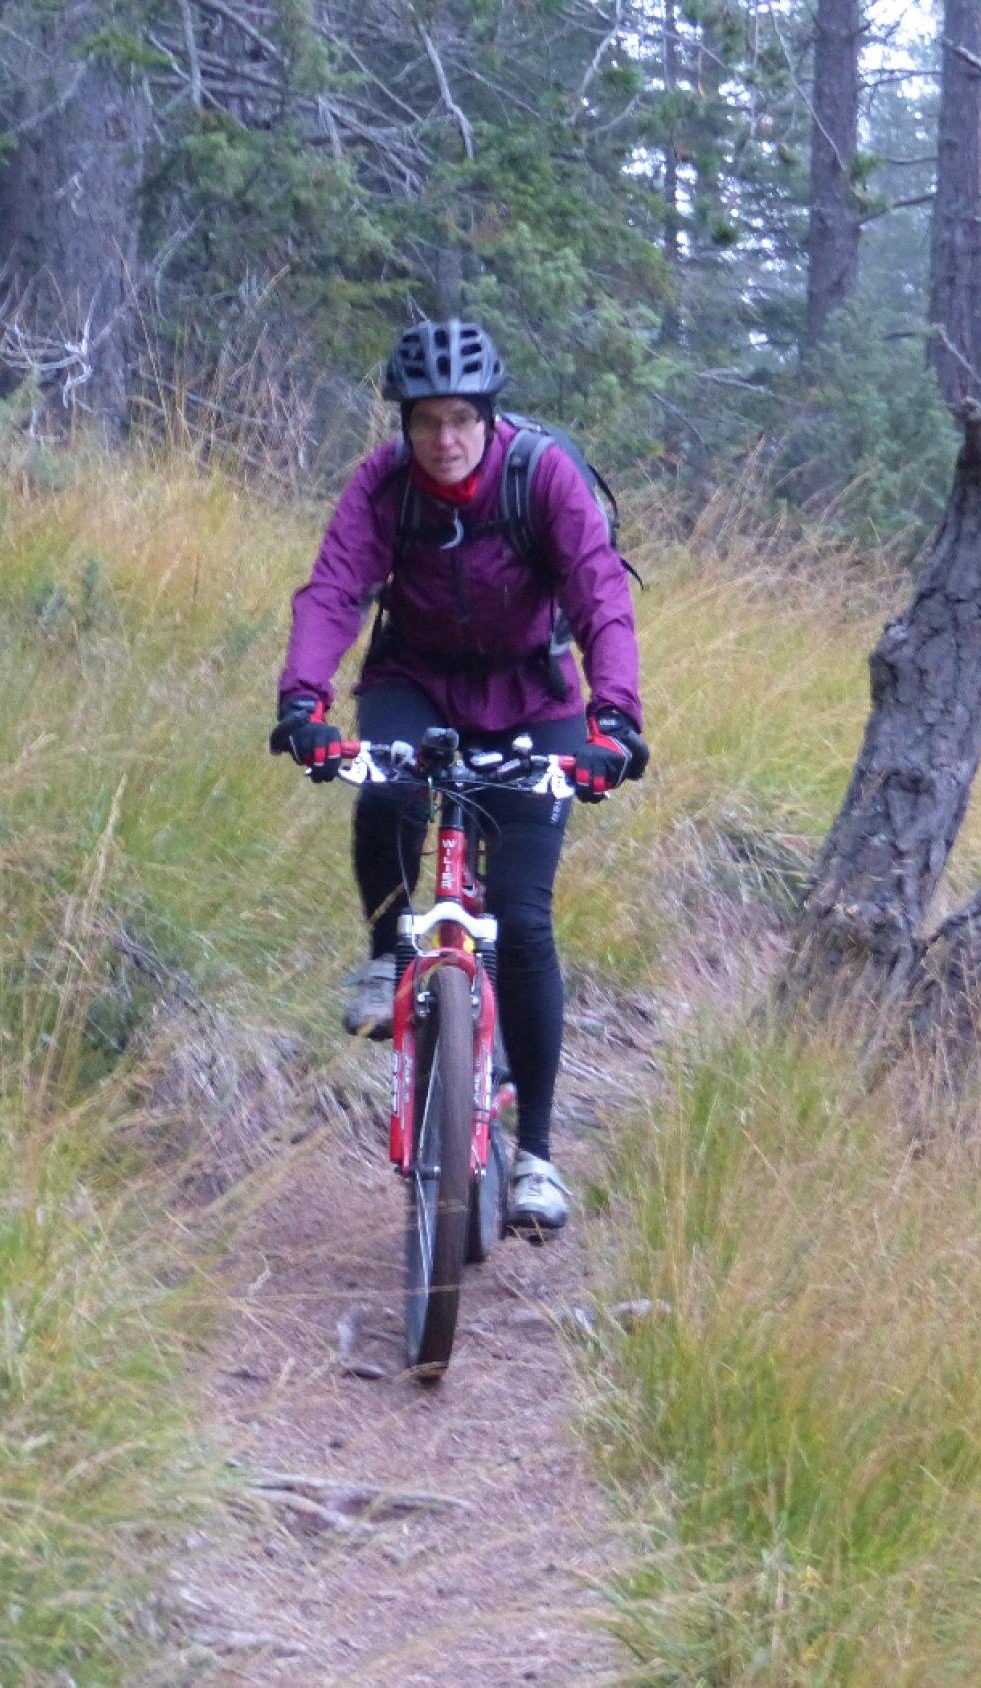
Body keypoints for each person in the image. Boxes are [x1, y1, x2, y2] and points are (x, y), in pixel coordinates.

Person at [269, 318, 648, 1238]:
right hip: (417, 681)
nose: (445, 438)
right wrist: (303, 703)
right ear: (405, 424)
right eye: (426, 420)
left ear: (490, 415)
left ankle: (539, 1153)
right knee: (387, 787)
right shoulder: (384, 485)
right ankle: (387, 956)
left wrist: (614, 721)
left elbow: (600, 594)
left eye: (462, 419)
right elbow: (334, 590)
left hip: (533, 697)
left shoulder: (540, 475)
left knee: (522, 918)